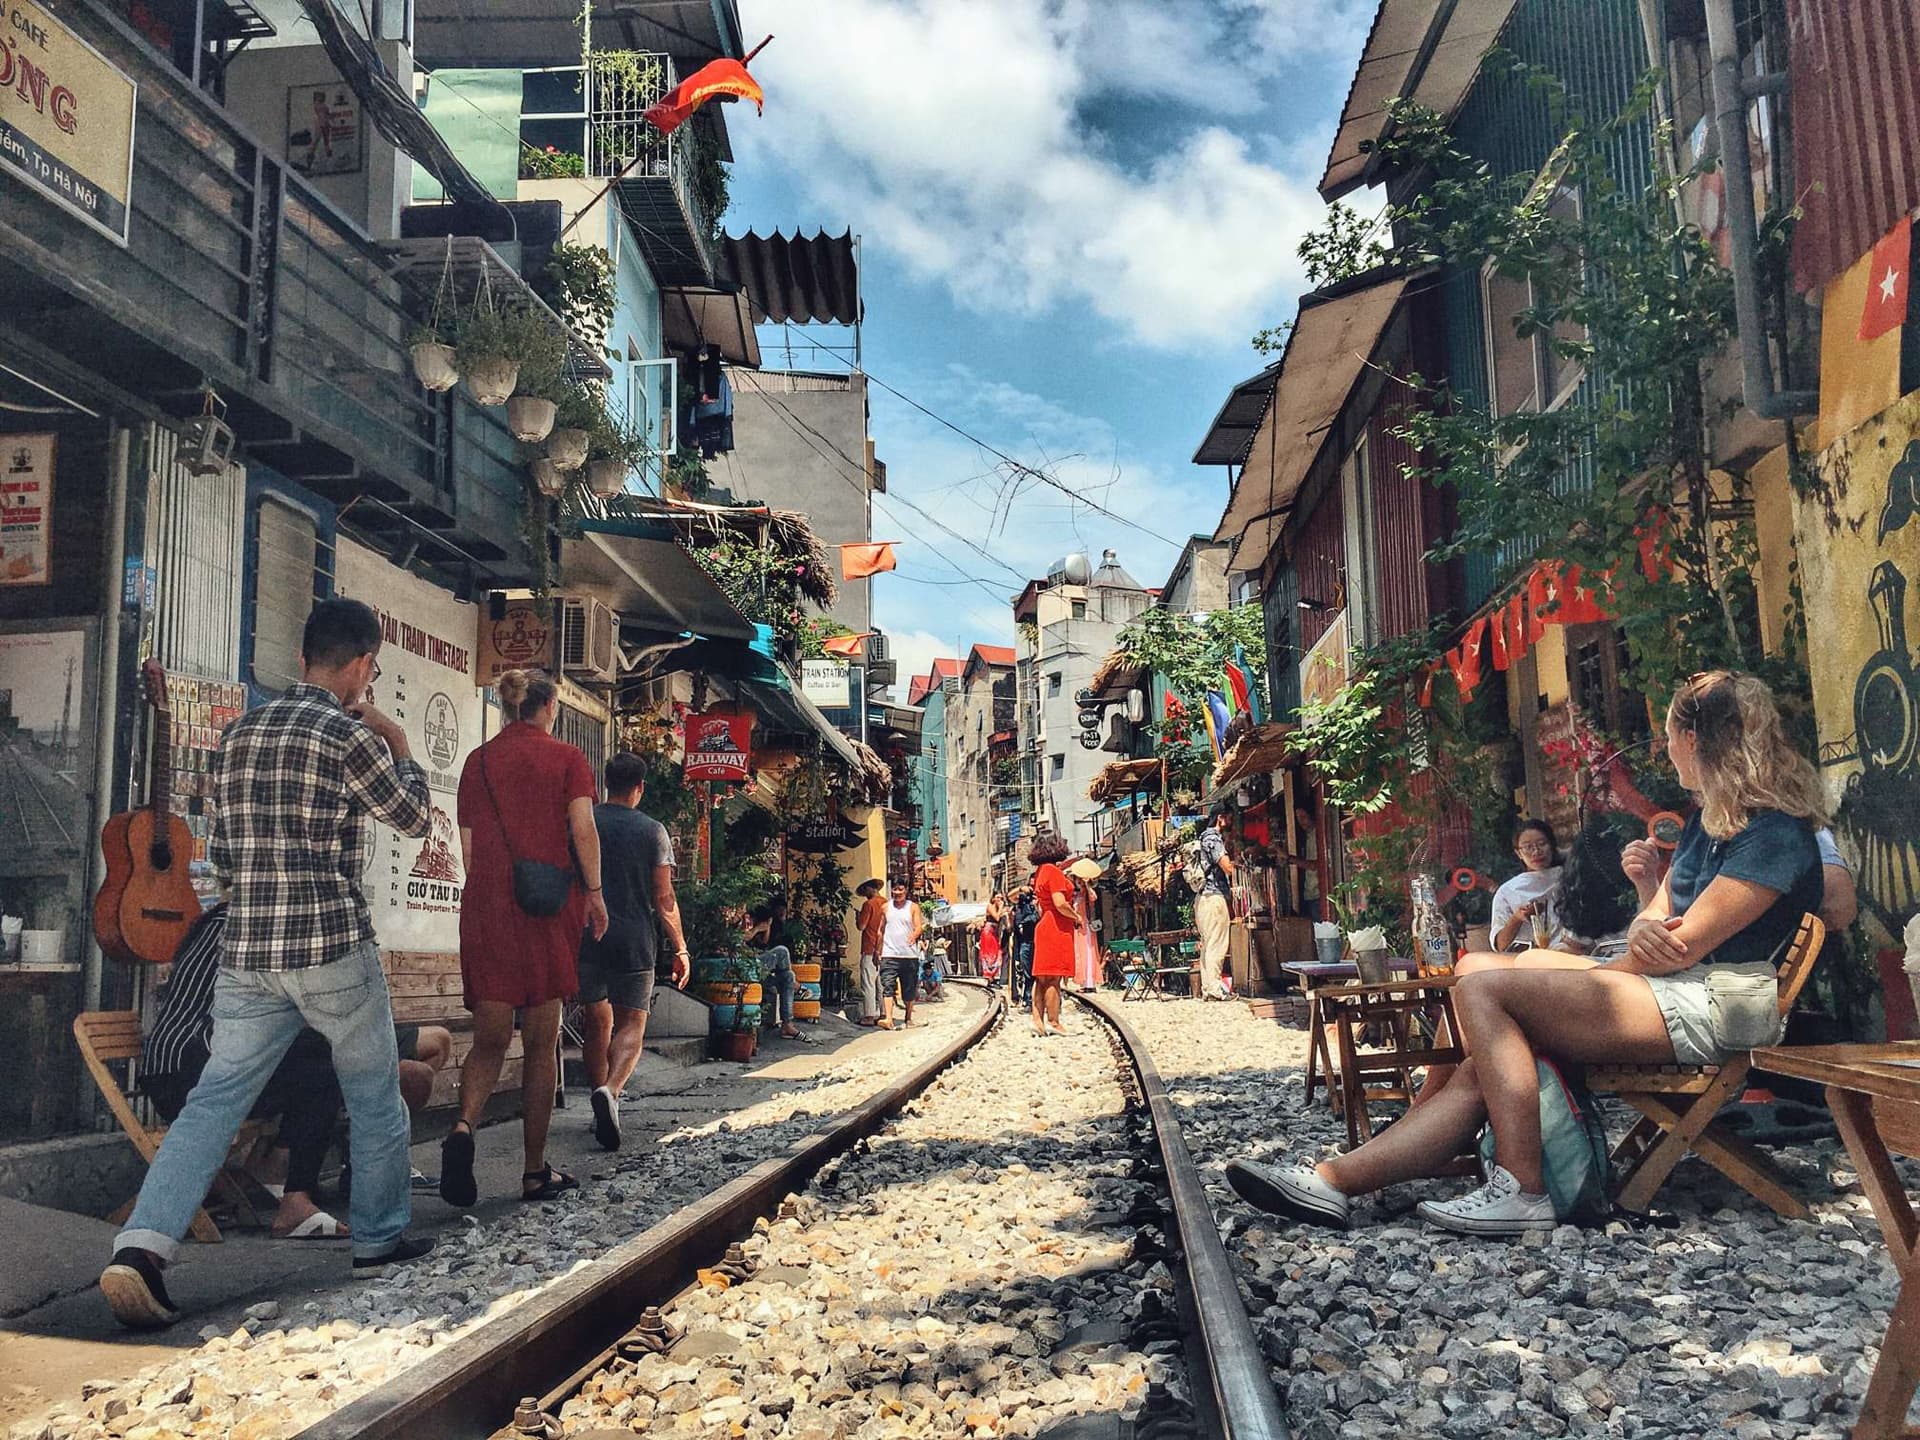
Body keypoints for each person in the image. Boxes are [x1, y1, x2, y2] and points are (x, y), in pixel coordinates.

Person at [1226, 671, 1825, 1237]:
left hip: (1715, 1006)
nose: (1666, 748)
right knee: (1476, 987)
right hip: (1671, 990)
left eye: (1670, 735)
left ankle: (1523, 1189)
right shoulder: (1706, 824)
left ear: (1694, 740)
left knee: (1484, 988)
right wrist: (1639, 929)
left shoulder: (1772, 834)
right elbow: (1656, 918)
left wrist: (1611, 964)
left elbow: (1680, 946)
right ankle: (1335, 1181)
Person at [100, 600, 435, 1330]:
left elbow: (219, 856)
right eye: (372, 669)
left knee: (213, 1102)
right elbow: (414, 817)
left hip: (248, 953)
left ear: (305, 657)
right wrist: (400, 743)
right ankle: (378, 1240)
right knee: (374, 1095)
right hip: (331, 945)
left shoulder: (238, 734)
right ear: (361, 665)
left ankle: (142, 1247)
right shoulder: (349, 735)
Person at [442, 669, 608, 1207]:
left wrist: (492, 894)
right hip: (545, 910)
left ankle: (463, 1127)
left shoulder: (477, 762)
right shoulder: (567, 759)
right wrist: (595, 893)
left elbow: (468, 850)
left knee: (489, 1040)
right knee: (541, 1043)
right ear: (549, 707)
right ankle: (534, 1171)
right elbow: (583, 829)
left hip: (487, 909)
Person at [139, 904, 347, 1240]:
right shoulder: (245, 927)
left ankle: (283, 1178)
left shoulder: (229, 918)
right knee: (323, 1061)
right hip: (186, 1072)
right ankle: (288, 1189)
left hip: (182, 1066)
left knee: (317, 1059)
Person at [578, 752, 688, 1152]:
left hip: (587, 933)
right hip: (634, 938)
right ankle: (611, 1091)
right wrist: (680, 947)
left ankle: (599, 1105)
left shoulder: (586, 821)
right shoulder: (653, 831)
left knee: (596, 1020)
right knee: (632, 1024)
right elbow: (664, 897)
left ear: (606, 783)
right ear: (640, 788)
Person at [1029, 833, 1080, 1036]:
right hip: (1056, 927)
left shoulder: (1040, 871)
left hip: (1044, 924)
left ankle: (1037, 1021)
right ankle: (1053, 1021)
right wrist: (1076, 916)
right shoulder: (1054, 871)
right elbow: (1060, 903)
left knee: (1042, 977)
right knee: (1053, 978)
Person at [1489, 820, 1567, 952]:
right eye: (1527, 847)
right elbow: (1500, 945)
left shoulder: (1570, 878)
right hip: (1529, 959)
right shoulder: (1507, 891)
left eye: (1542, 844)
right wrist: (1517, 918)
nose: (1536, 852)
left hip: (1570, 955)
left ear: (1552, 845)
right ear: (1518, 853)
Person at [747, 896, 805, 1042]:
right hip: (747, 968)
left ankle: (787, 1024)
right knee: (782, 951)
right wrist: (756, 929)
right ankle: (796, 986)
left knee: (788, 977)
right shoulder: (745, 923)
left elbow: (763, 944)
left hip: (759, 972)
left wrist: (766, 929)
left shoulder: (767, 930)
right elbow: (744, 939)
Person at [1195, 806, 1234, 1000]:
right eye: (1229, 818)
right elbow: (1227, 867)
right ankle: (1215, 990)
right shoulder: (1213, 838)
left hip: (1203, 898)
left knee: (1208, 944)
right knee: (1217, 944)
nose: (1231, 822)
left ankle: (1208, 988)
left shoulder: (1203, 838)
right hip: (1214, 896)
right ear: (1221, 818)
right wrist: (1238, 863)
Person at [877, 880, 923, 1030]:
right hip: (889, 954)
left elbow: (918, 927)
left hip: (908, 955)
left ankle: (908, 1018)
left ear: (906, 890)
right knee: (888, 986)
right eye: (895, 889)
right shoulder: (885, 907)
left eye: (900, 889)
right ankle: (888, 1019)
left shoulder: (913, 907)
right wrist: (878, 950)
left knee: (909, 989)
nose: (897, 892)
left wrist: (914, 936)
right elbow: (880, 930)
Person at [855, 879, 886, 1026]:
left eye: (865, 891)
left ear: (870, 888)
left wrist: (858, 917)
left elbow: (862, 926)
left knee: (868, 983)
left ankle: (869, 1016)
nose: (864, 894)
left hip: (870, 948)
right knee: (882, 984)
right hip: (885, 948)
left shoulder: (869, 904)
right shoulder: (887, 904)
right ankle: (884, 1013)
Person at [1012, 885, 1039, 1007]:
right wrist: (1021, 889)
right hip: (1024, 941)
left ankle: (1034, 999)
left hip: (1036, 940)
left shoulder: (1037, 903)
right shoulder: (1021, 904)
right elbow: (1010, 896)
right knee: (1026, 972)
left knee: (1035, 973)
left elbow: (1037, 916)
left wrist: (1024, 922)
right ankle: (1027, 999)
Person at [977, 893, 1006, 982]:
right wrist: (1001, 907)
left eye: (1001, 898)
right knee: (989, 954)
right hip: (988, 933)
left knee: (996, 954)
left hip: (995, 933)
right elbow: (997, 918)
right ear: (993, 898)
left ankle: (992, 976)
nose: (999, 900)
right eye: (998, 897)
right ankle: (987, 975)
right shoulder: (990, 906)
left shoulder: (999, 909)